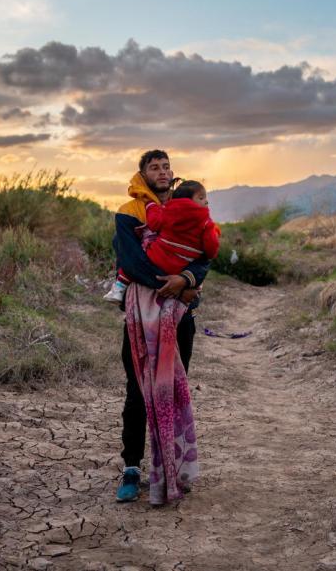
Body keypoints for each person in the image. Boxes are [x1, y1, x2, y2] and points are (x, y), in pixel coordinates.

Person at [113, 150, 209, 504]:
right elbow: (132, 261)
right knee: (138, 392)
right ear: (142, 175)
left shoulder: (189, 207)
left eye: (166, 166)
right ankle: (132, 468)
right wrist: (174, 285)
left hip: (180, 316)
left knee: (172, 392)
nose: (163, 172)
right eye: (155, 167)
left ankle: (170, 467)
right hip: (141, 315)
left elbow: (204, 255)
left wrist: (185, 278)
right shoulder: (129, 213)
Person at [103, 180, 219, 303]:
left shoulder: (169, 211)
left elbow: (154, 223)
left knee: (138, 251)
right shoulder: (206, 223)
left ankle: (119, 288)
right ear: (189, 201)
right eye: (201, 198)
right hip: (180, 268)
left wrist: (150, 205)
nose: (206, 201)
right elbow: (211, 251)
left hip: (156, 258)